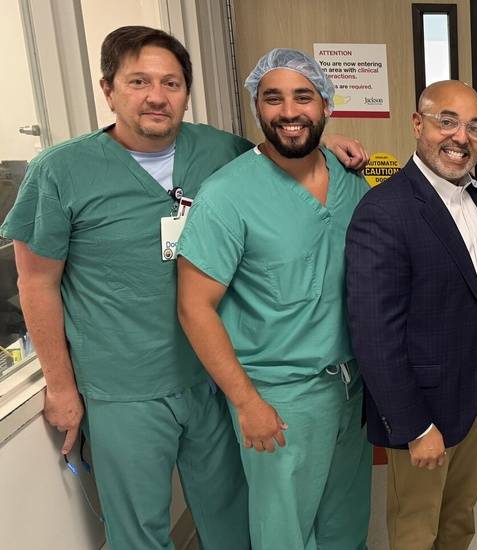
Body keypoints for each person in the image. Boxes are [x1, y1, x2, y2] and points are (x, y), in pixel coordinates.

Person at [0, 26, 257, 550]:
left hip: (212, 375)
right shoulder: (61, 171)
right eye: (138, 81)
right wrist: (62, 387)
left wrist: (333, 147)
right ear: (108, 88)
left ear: (187, 91)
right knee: (139, 533)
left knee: (232, 520)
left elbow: (285, 166)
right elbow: (36, 282)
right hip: (123, 391)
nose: (157, 96)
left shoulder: (222, 150)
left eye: (172, 82)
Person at [176, 49, 371, 550]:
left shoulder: (351, 179)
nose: (289, 112)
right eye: (273, 98)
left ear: (326, 103)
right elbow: (194, 307)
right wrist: (247, 402)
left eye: (303, 96)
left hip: (349, 389)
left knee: (345, 523)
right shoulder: (227, 195)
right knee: (283, 532)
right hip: (279, 398)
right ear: (256, 108)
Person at [346, 80, 477, 550]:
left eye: (474, 127)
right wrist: (415, 425)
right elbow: (374, 334)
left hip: (474, 389)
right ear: (418, 124)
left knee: (459, 520)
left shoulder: (475, 196)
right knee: (416, 530)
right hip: (423, 405)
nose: (461, 137)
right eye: (447, 120)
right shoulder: (385, 210)